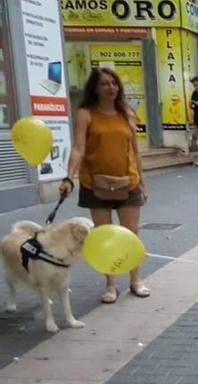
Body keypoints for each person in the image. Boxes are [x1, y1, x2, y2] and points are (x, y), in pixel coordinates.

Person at [59, 68, 150, 304]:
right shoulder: (86, 113)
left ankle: (135, 280)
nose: (111, 88)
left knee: (131, 234)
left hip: (128, 182)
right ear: (95, 88)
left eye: (114, 83)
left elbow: (135, 151)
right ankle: (111, 285)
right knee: (104, 236)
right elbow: (78, 148)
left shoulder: (127, 113)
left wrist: (142, 181)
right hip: (95, 182)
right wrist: (70, 176)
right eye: (104, 84)